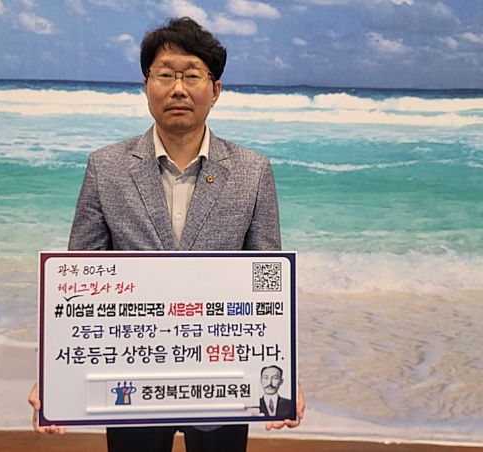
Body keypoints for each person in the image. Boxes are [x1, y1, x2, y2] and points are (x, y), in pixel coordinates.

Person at [29, 16, 305, 452]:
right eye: (165, 75)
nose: (178, 88)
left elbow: (266, 283)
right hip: (131, 376)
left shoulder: (253, 172)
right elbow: (78, 282)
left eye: (192, 75)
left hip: (220, 378)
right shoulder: (106, 167)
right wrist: (53, 376)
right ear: (146, 86)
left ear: (215, 89)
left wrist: (282, 370)